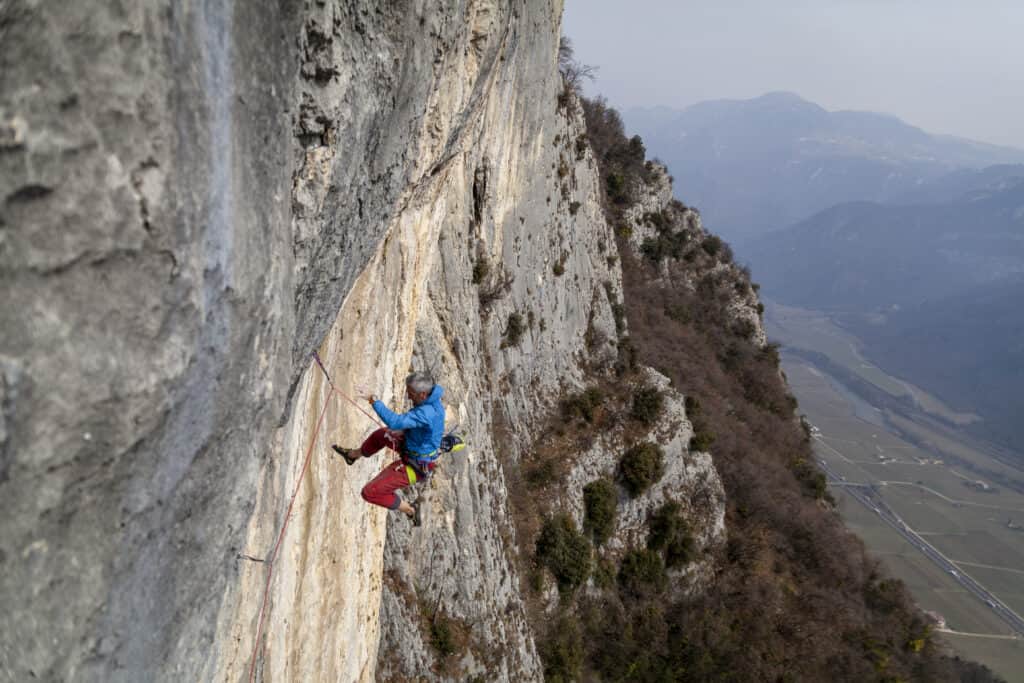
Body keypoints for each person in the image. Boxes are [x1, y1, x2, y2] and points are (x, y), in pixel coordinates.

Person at [331, 371, 445, 526]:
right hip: (412, 446)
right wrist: (405, 431)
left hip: (414, 465)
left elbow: (395, 422)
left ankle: (410, 510)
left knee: (369, 492)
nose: (409, 396)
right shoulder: (432, 402)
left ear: (423, 394)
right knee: (382, 435)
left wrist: (373, 399)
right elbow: (423, 428)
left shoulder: (427, 412)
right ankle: (352, 455)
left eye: (411, 393)